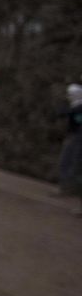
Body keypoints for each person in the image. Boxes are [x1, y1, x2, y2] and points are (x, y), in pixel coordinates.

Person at [57, 83, 82, 214]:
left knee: (70, 163)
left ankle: (67, 188)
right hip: (73, 136)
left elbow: (77, 120)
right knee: (66, 163)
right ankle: (65, 187)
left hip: (76, 138)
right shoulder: (75, 106)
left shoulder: (78, 107)